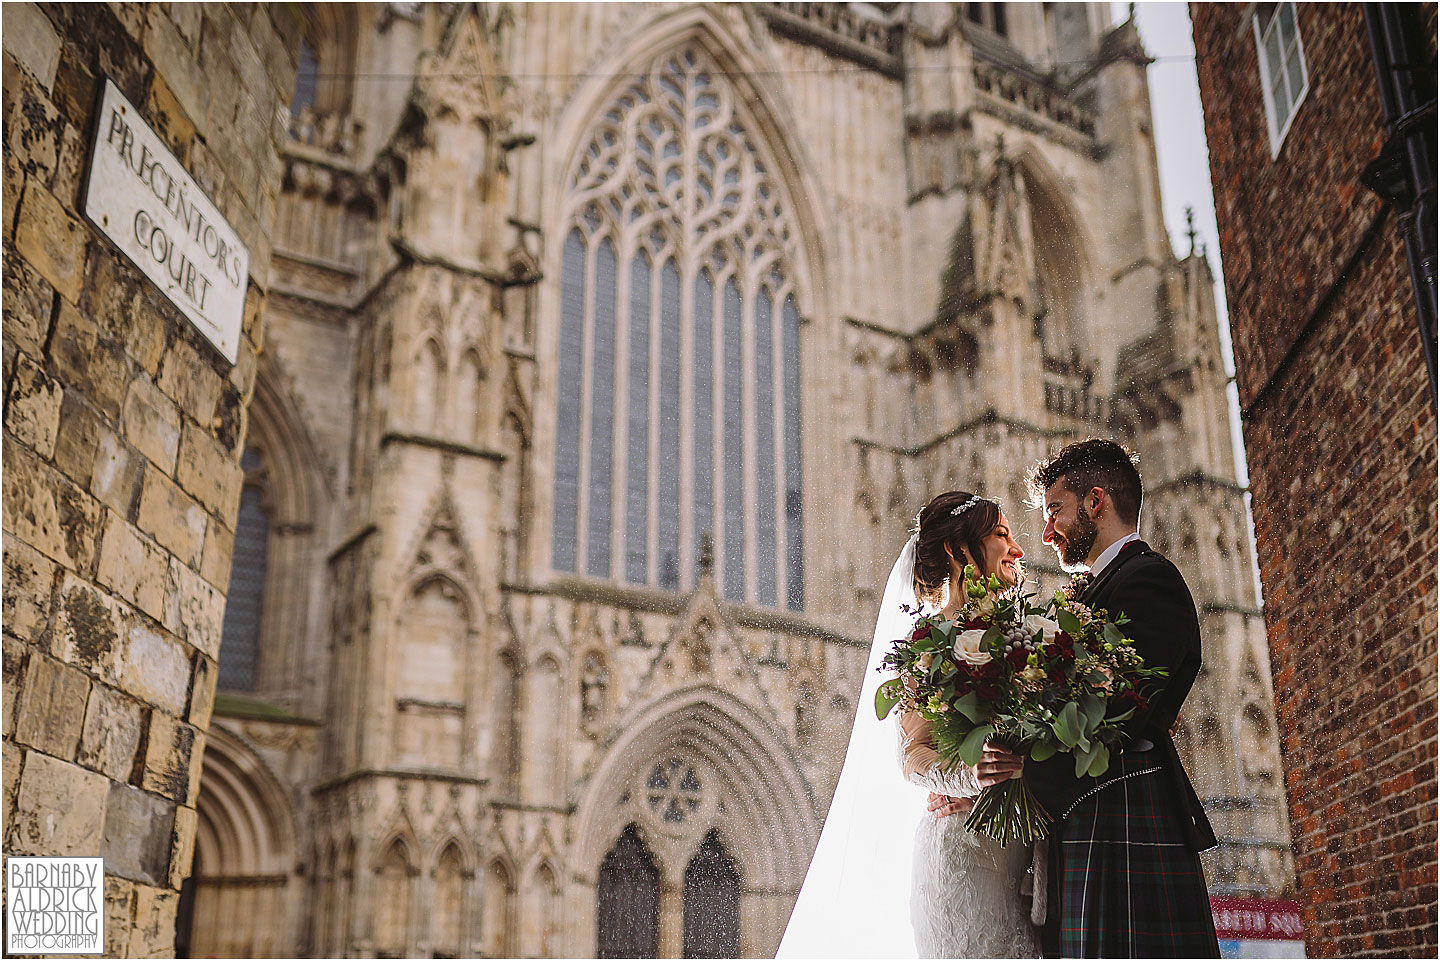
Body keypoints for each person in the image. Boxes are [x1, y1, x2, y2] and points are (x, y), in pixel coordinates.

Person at [934, 439, 1220, 957]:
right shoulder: (1096, 590)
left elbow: (1119, 716)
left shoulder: (1148, 580)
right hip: (1089, 816)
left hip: (1125, 810)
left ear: (1095, 502)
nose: (1045, 533)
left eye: (1054, 512)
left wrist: (1017, 770)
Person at [778, 491, 1041, 959]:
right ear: (959, 553)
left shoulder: (1039, 635)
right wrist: (968, 774)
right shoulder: (926, 646)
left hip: (1029, 855)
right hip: (961, 856)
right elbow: (912, 755)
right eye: (1002, 535)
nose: (1019, 551)